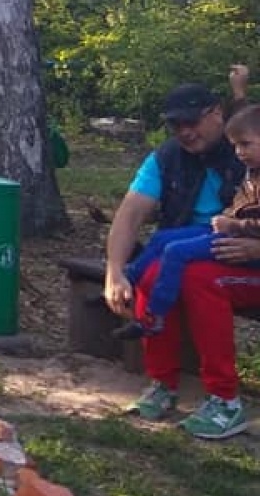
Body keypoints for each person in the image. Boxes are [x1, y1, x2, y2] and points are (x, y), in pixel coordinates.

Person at [105, 81, 260, 439]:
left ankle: (225, 399)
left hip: (245, 261)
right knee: (154, 273)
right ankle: (163, 383)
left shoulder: (249, 147)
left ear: (217, 113)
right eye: (177, 125)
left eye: (192, 122)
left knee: (199, 278)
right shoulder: (167, 157)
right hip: (207, 249)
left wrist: (256, 249)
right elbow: (129, 214)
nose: (185, 132)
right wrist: (115, 272)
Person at [114, 102, 260, 341]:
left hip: (242, 243)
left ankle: (154, 317)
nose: (239, 153)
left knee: (176, 252)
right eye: (235, 146)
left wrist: (234, 225)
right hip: (228, 231)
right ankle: (127, 281)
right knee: (161, 239)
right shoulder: (251, 170)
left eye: (245, 145)